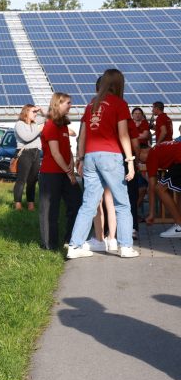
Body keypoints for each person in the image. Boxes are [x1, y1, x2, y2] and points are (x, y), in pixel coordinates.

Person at [66, 69, 139, 259]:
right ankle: (125, 247)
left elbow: (82, 135)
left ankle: (74, 246)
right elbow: (124, 135)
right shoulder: (119, 103)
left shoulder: (91, 104)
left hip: (90, 156)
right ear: (118, 84)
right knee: (122, 203)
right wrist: (130, 161)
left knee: (88, 204)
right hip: (111, 156)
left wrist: (80, 159)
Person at [38, 93, 82, 250]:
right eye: (68, 103)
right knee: (50, 210)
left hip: (64, 172)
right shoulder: (50, 125)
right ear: (58, 104)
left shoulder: (63, 126)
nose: (71, 106)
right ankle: (49, 245)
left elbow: (67, 150)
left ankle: (69, 239)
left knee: (76, 203)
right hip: (51, 174)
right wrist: (69, 173)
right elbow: (55, 153)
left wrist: (71, 170)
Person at [143, 141, 181, 236]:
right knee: (178, 191)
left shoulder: (151, 155)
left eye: (139, 159)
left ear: (142, 152)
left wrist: (151, 213)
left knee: (160, 189)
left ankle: (179, 226)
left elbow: (152, 186)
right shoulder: (159, 147)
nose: (141, 162)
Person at [13, 104, 43, 211]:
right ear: (26, 112)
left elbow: (48, 118)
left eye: (36, 112)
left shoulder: (35, 124)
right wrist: (39, 129)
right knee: (22, 179)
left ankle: (31, 203)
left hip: (36, 152)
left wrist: (40, 110)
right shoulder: (19, 124)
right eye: (33, 112)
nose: (35, 114)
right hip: (25, 153)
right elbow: (26, 138)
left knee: (33, 180)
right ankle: (17, 203)